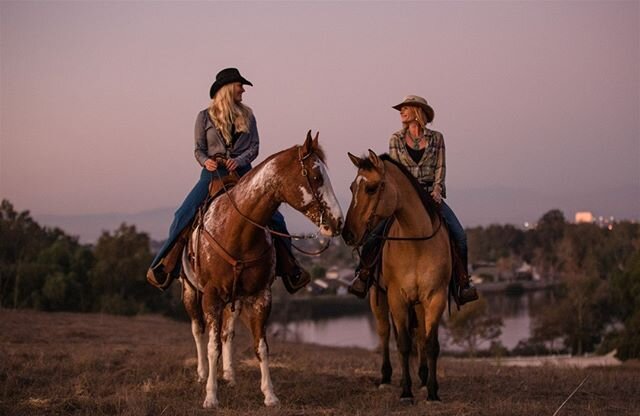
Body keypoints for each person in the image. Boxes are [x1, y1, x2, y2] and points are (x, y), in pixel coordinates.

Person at [146, 67, 310, 293]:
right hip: (213, 174)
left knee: (275, 218)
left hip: (243, 174)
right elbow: (198, 149)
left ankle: (292, 269)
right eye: (239, 85)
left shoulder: (249, 115)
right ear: (227, 88)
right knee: (183, 213)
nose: (243, 89)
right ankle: (164, 265)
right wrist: (205, 162)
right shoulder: (203, 116)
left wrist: (240, 160)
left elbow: (255, 147)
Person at [348, 95, 478, 305]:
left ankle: (463, 283)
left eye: (405, 108)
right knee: (374, 235)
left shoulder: (437, 138)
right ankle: (363, 275)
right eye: (401, 109)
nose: (401, 112)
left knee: (460, 236)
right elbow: (394, 172)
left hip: (431, 195)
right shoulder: (395, 139)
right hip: (404, 198)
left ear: (418, 111)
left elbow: (441, 167)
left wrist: (437, 188)